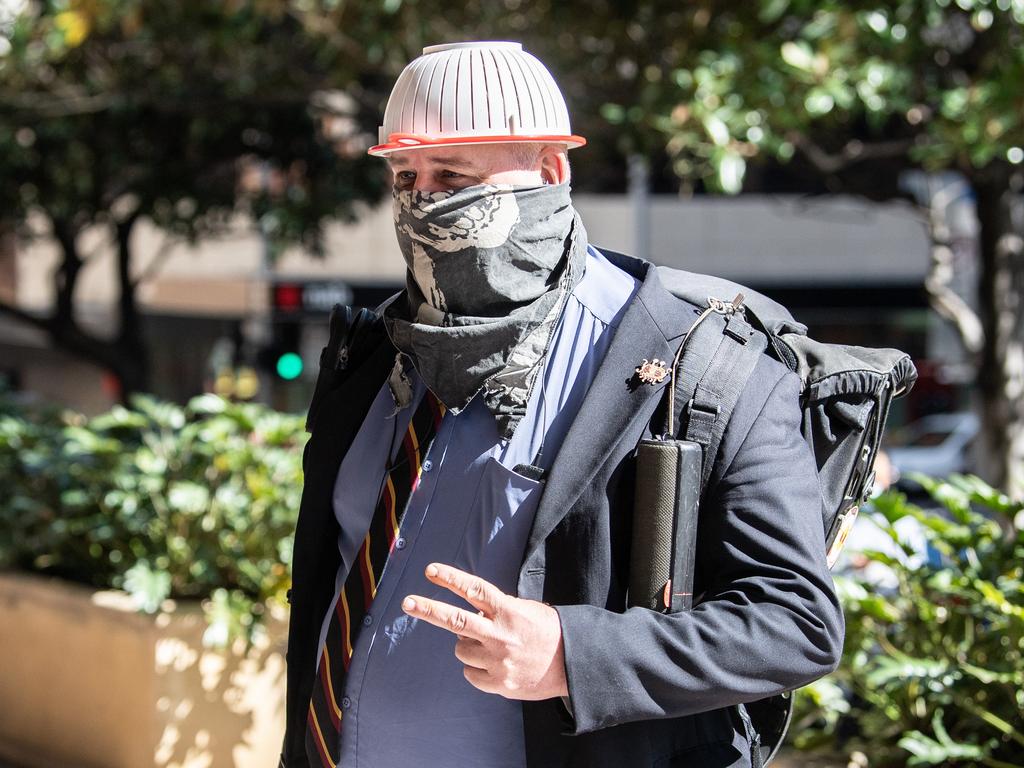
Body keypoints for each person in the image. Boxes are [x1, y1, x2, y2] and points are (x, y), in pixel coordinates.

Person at [279, 41, 844, 768]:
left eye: (452, 175)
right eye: (404, 175)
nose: (423, 201)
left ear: (550, 173)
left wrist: (572, 655)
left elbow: (796, 622)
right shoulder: (378, 349)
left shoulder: (702, 365)